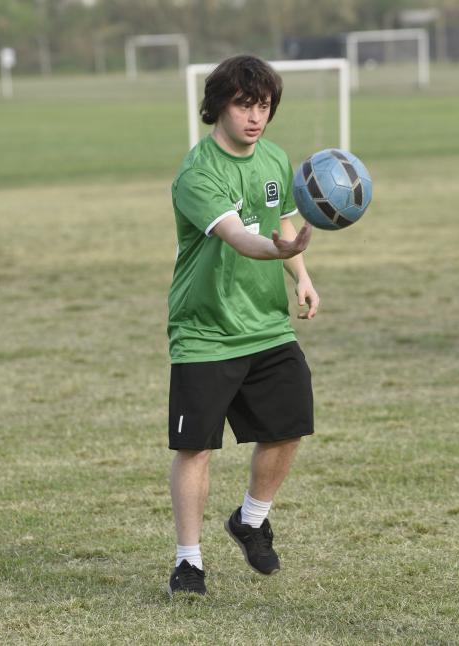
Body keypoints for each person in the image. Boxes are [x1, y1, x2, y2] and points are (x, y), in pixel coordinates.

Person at [165, 54, 319, 598]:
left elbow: (279, 220)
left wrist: (300, 272)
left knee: (290, 424)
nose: (256, 117)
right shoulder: (198, 173)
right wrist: (277, 249)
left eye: (265, 106)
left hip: (267, 326)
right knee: (196, 449)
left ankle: (250, 519)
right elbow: (239, 236)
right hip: (205, 330)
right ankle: (189, 562)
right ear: (218, 106)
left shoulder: (275, 158)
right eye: (244, 104)